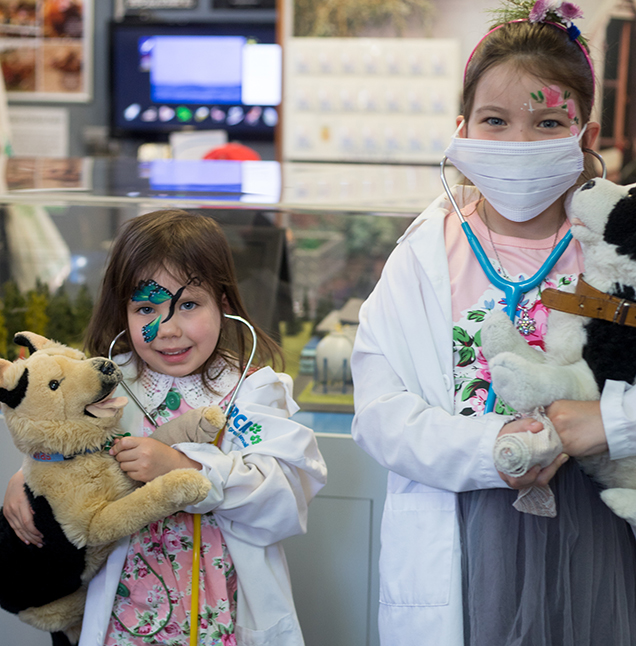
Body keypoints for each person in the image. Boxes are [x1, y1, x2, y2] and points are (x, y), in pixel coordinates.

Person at [351, 3, 636, 645]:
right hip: (467, 520)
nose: (519, 142)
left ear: (585, 138)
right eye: (496, 121)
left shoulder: (620, 247)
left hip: (599, 527)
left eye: (548, 122)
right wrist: (490, 451)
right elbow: (378, 412)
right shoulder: (425, 256)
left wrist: (608, 423)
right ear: (462, 130)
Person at [3, 208, 327, 646]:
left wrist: (184, 466)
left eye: (189, 305)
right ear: (123, 312)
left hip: (220, 620)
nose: (168, 329)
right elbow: (62, 446)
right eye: (146, 308)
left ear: (225, 303)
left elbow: (285, 500)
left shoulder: (253, 391)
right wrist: (27, 477)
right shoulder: (102, 387)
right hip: (119, 619)